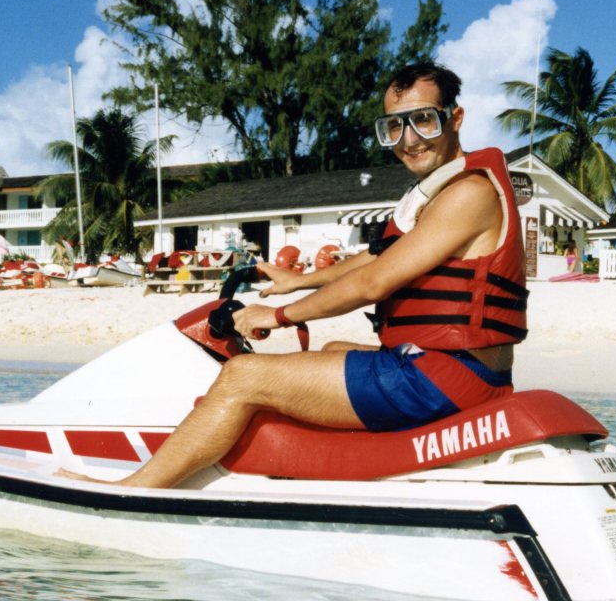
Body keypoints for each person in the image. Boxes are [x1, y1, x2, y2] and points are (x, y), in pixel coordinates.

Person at [57, 61, 528, 489]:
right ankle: (316, 475)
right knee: (333, 351)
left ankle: (136, 489)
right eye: (393, 127)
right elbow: (375, 259)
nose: (408, 140)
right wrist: (296, 281)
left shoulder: (467, 194)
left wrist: (278, 314)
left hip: (440, 379)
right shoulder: (441, 194)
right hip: (455, 369)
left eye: (423, 119)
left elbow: (373, 284)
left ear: (455, 118)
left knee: (243, 376)